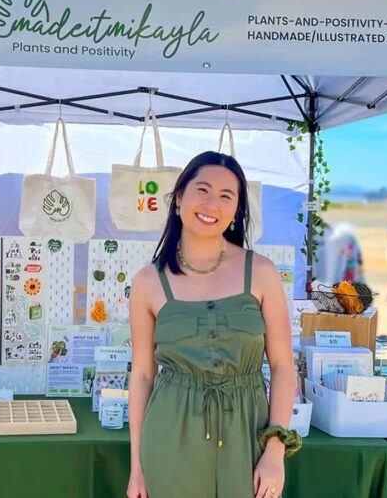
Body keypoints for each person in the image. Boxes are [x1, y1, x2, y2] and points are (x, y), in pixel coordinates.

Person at [127, 151, 299, 498]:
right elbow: (143, 375)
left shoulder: (261, 273)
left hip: (247, 436)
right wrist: (137, 466)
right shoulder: (148, 282)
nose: (211, 204)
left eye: (226, 196)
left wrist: (275, 449)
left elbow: (283, 366)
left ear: (236, 211)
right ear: (179, 198)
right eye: (202, 190)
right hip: (170, 439)